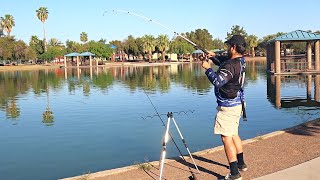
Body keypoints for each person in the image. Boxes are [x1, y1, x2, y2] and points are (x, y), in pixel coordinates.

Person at [201, 35, 248, 180]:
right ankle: (241, 164)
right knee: (233, 133)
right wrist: (214, 56)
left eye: (229, 46)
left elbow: (218, 81)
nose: (227, 48)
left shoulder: (230, 65)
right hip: (238, 104)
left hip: (228, 108)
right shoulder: (240, 61)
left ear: (233, 47)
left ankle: (234, 174)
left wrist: (208, 68)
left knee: (226, 138)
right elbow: (225, 61)